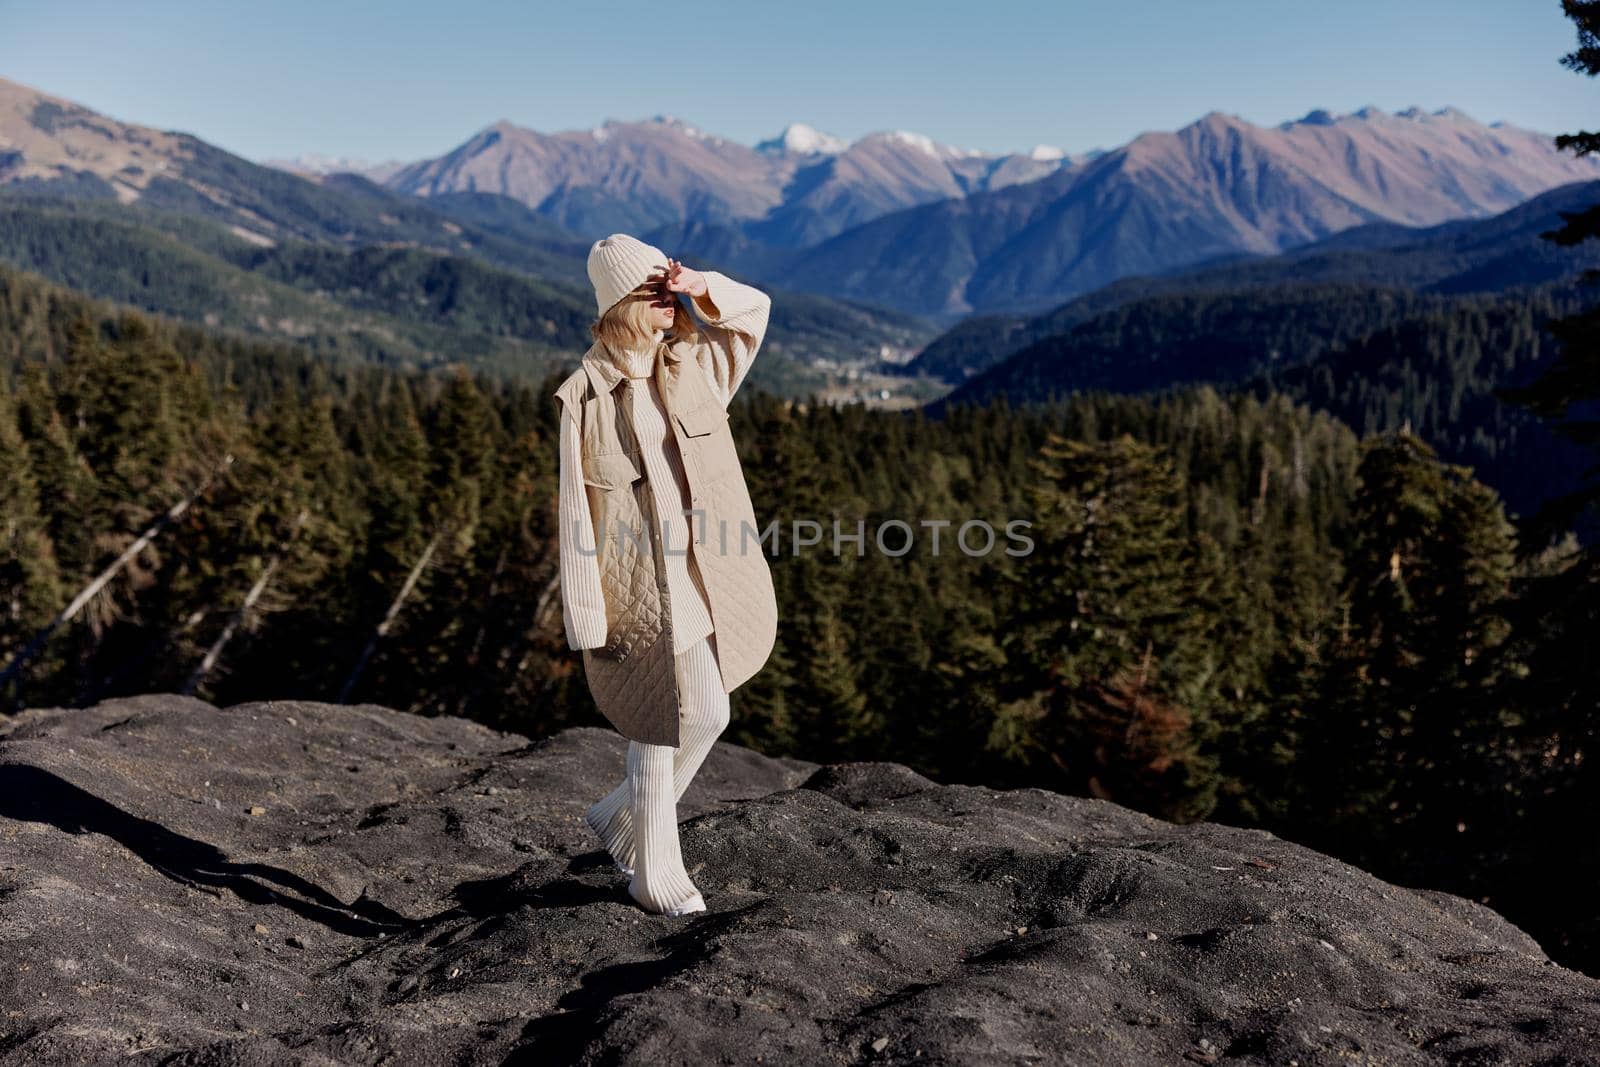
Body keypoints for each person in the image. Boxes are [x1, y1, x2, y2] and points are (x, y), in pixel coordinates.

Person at [553, 234, 778, 917]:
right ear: (619, 303)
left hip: (702, 575)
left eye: (666, 287)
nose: (666, 299)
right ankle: (655, 874)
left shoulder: (694, 366)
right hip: (637, 590)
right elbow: (573, 510)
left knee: (711, 711)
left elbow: (754, 312)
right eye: (651, 290)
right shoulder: (585, 395)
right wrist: (586, 614)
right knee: (658, 722)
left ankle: (623, 819)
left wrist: (699, 282)